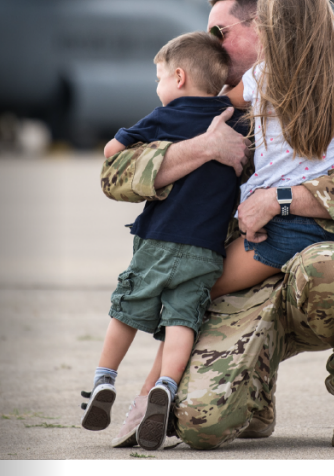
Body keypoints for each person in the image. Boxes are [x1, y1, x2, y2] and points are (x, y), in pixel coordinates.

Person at [100, 0, 334, 449]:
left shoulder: (330, 91)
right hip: (245, 284)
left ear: (261, 29)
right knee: (200, 423)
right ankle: (253, 394)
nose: (208, 43)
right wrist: (202, 147)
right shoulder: (205, 107)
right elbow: (115, 174)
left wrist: (281, 199)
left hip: (309, 263)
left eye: (219, 32)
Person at [79, 31, 245, 451]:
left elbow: (112, 151)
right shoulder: (235, 121)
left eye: (159, 78)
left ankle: (104, 380)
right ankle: (166, 386)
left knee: (127, 310)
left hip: (157, 240)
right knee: (181, 321)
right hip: (207, 249)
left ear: (179, 77)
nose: (157, 87)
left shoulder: (163, 116)